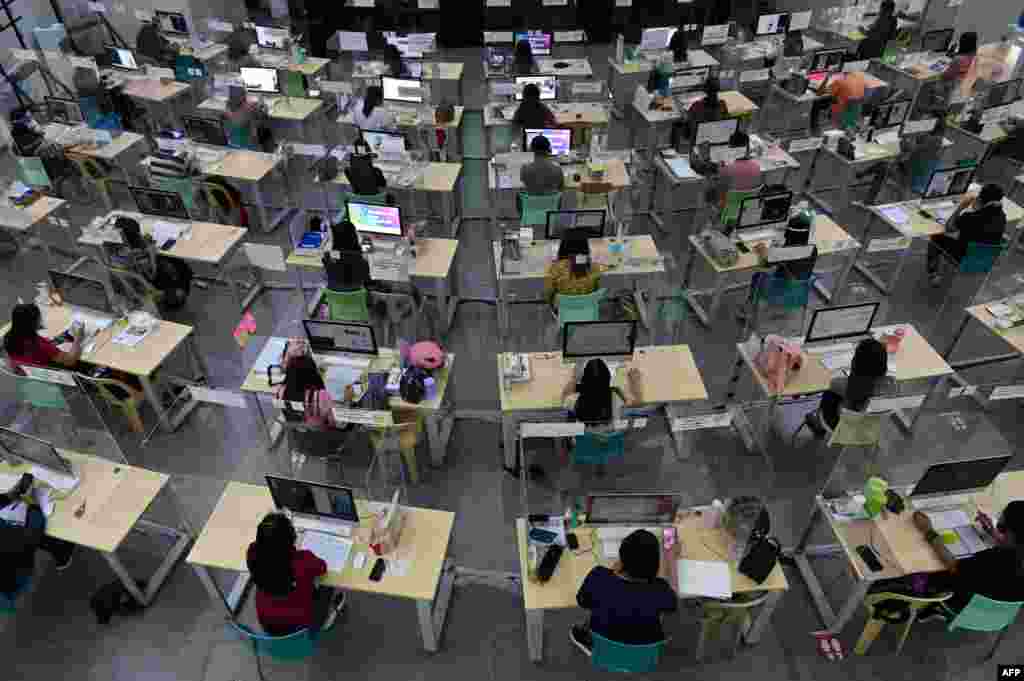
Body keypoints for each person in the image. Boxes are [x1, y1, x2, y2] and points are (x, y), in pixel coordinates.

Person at [904, 501, 1024, 622]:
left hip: (969, 605)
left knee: (929, 570)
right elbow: (1014, 545)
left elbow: (953, 565)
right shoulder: (1015, 551)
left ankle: (919, 600)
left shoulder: (996, 559)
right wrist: (992, 532)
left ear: (1011, 533)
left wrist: (928, 530)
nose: (1000, 532)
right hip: (999, 613)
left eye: (1002, 528)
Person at [570, 529, 676, 655]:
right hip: (642, 654)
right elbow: (672, 606)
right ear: (655, 565)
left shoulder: (599, 576)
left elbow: (583, 602)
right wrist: (671, 561)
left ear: (621, 560)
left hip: (602, 649)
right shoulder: (660, 589)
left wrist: (611, 574)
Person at [246, 512, 346, 635]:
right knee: (328, 583)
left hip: (268, 623)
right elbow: (322, 567)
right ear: (292, 538)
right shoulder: (302, 561)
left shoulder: (252, 553)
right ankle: (325, 620)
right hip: (300, 626)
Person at [0, 474, 76, 595]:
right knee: (44, 525)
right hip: (15, 576)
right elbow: (35, 524)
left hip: (14, 542)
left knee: (21, 522)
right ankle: (62, 550)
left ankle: (59, 552)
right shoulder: (12, 542)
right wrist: (33, 503)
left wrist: (13, 494)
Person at [927, 183, 1007, 285]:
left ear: (980, 199)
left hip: (964, 258)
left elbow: (949, 228)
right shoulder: (1002, 216)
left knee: (936, 237)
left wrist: (962, 206)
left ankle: (933, 274)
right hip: (984, 260)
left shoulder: (970, 217)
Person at [806, 337, 888, 434]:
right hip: (864, 426)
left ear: (855, 362)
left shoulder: (841, 384)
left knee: (829, 394)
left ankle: (819, 425)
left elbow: (832, 384)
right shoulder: (887, 385)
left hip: (839, 426)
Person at [561, 357, 643, 429]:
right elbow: (636, 403)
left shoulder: (575, 399)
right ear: (608, 378)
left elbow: (563, 397)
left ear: (583, 379)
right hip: (612, 444)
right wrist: (635, 382)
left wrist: (575, 378)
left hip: (585, 444)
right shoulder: (615, 396)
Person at [4, 303, 82, 372]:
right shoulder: (39, 344)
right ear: (33, 322)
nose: (41, 319)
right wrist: (77, 338)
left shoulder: (8, 338)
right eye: (39, 318)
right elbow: (70, 360)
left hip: (29, 370)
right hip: (50, 370)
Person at [544, 228, 606, 305]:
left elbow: (548, 295)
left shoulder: (555, 268)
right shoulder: (594, 267)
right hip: (588, 311)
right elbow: (596, 290)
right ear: (585, 247)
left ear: (563, 247)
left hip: (563, 312)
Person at [900, 114, 947, 195]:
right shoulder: (939, 140)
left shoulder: (927, 140)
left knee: (883, 166)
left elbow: (905, 147)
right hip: (930, 181)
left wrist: (908, 136)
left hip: (916, 182)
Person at [322, 218, 371, 292]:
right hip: (358, 299)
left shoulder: (329, 261)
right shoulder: (362, 263)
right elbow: (367, 280)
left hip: (336, 300)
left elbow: (326, 253)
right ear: (354, 238)